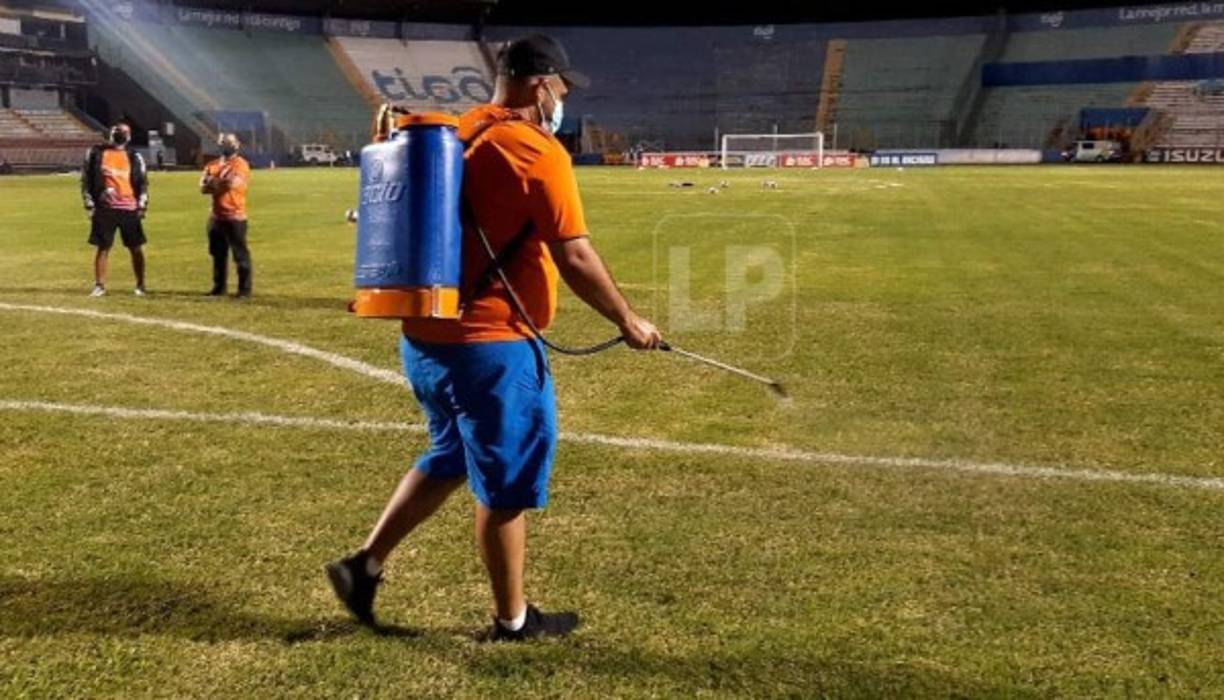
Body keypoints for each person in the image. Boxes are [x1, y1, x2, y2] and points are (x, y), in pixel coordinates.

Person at [326, 34, 662, 641]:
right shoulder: (535, 150)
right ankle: (514, 622)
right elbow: (575, 255)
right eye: (561, 87)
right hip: (491, 346)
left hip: (426, 339)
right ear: (541, 85)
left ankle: (363, 566)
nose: (562, 99)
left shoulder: (462, 130)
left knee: (451, 456)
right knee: (506, 487)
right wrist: (628, 320)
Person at [81, 123, 148, 297]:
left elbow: (142, 182)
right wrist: (90, 204)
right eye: (117, 131)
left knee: (135, 247)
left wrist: (142, 205)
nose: (120, 134)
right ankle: (99, 285)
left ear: (129, 136)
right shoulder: (96, 153)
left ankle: (140, 284)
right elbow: (86, 180)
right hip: (105, 209)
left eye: (123, 132)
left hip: (129, 208)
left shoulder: (134, 156)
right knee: (103, 247)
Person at [200, 133, 252, 297]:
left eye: (230, 142)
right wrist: (217, 183)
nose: (227, 145)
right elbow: (202, 188)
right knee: (218, 255)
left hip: (235, 216)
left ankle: (244, 290)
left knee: (240, 255)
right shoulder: (212, 164)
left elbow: (231, 184)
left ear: (237, 144)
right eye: (224, 142)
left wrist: (212, 182)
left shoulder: (240, 164)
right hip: (216, 217)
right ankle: (219, 287)